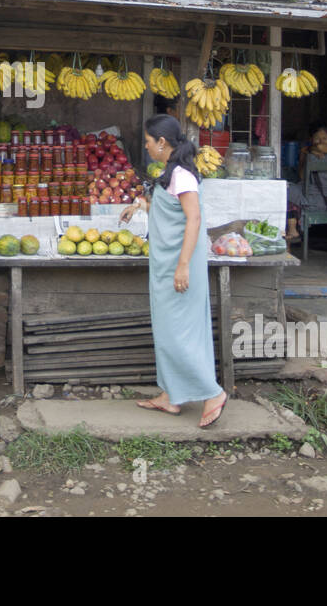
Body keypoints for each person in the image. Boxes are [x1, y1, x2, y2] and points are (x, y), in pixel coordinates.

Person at [119, 114, 228, 428]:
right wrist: (140, 206)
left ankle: (213, 393)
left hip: (180, 266)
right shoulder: (172, 173)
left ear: (162, 142)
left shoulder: (183, 175)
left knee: (182, 335)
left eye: (149, 142)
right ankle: (171, 396)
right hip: (166, 265)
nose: (148, 147)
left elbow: (193, 220)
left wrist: (183, 266)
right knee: (167, 332)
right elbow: (169, 213)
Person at [286, 122, 327, 240]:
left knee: (283, 190)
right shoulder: (310, 154)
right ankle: (293, 229)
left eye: (325, 138)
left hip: (322, 201)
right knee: (284, 188)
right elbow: (302, 176)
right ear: (311, 139)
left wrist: (307, 149)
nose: (321, 141)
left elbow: (320, 148)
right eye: (317, 138)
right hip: (318, 198)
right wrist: (304, 153)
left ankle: (293, 229)